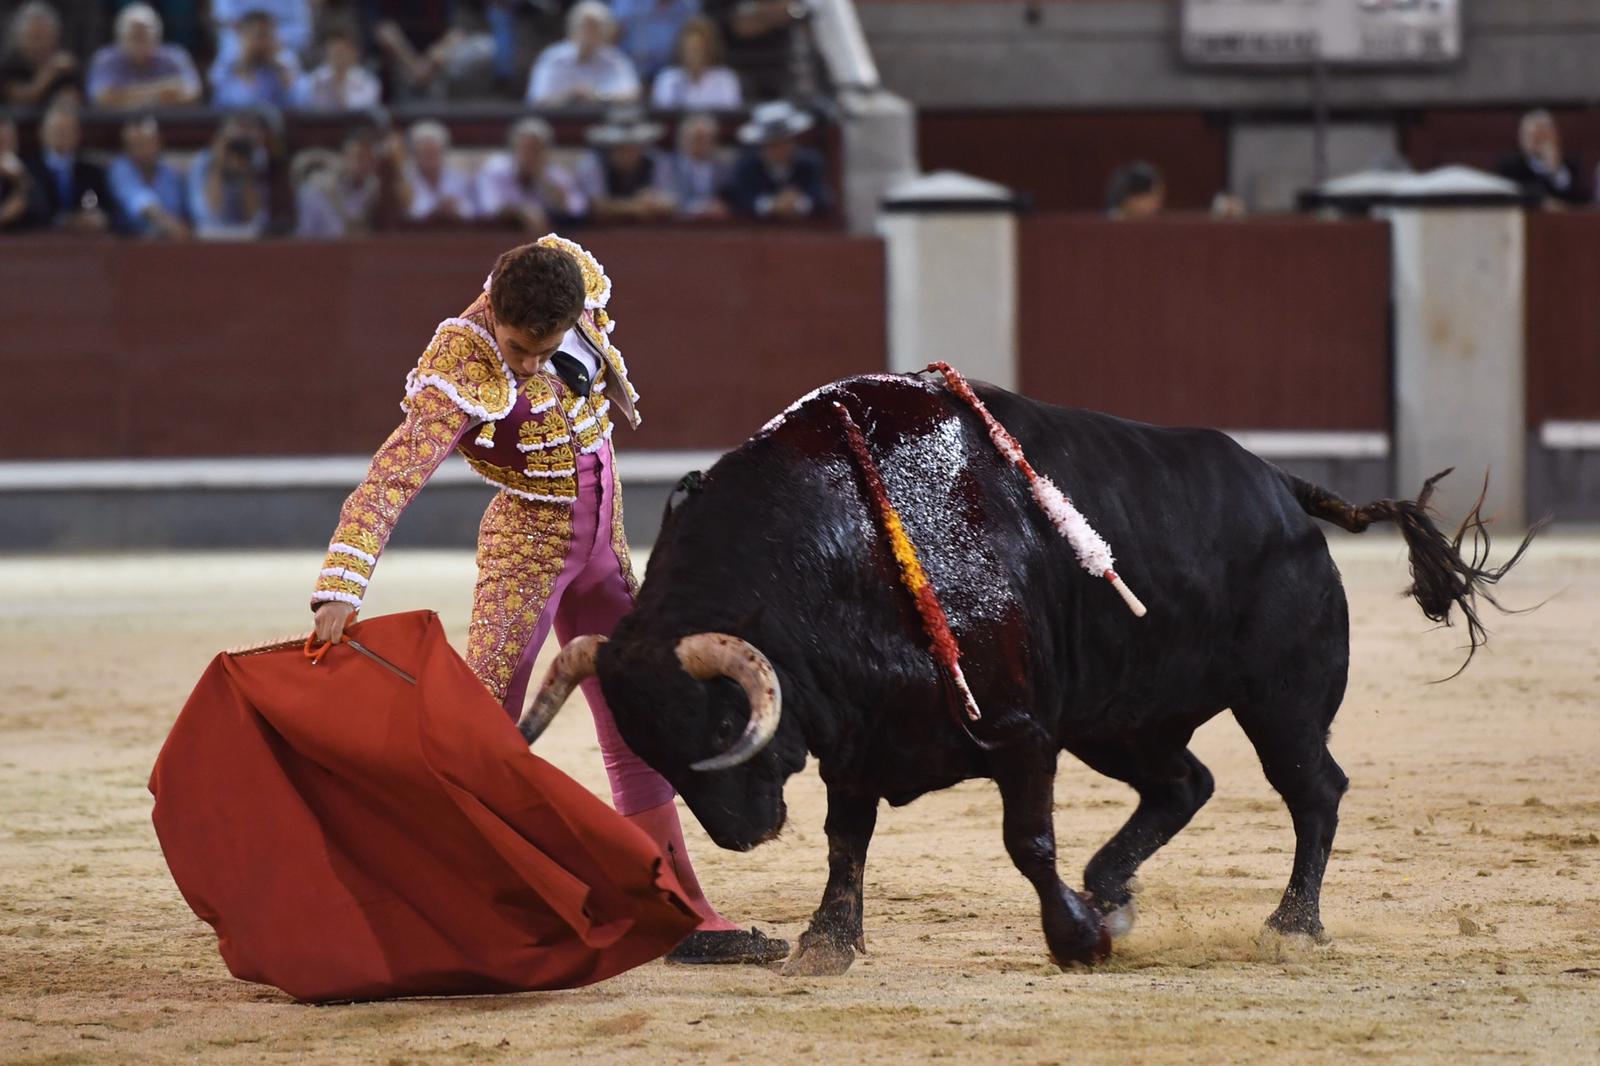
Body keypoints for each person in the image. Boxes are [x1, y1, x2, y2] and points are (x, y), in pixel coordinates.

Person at [308, 237, 789, 965]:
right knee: (483, 734)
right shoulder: (459, 368)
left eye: (545, 347)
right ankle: (449, 906)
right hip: (527, 551)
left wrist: (613, 382)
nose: (528, 363)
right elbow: (391, 477)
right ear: (494, 312)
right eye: (517, 347)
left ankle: (681, 913)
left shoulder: (574, 286)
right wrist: (341, 585)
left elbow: (588, 348)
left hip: (604, 545)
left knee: (637, 717)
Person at [724, 99, 830, 220]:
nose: (780, 150)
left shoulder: (811, 162)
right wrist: (771, 205)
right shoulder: (746, 165)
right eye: (773, 145)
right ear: (763, 146)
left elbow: (822, 197)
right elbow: (739, 199)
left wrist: (799, 203)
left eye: (784, 142)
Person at [475, 116, 587, 230]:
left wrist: (543, 180)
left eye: (536, 150)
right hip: (503, 235)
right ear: (514, 149)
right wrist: (521, 213)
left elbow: (577, 208)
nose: (530, 156)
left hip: (548, 236)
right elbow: (488, 208)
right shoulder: (495, 171)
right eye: (526, 149)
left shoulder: (555, 174)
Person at [22, 100, 116, 233]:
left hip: (83, 244)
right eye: (57, 130)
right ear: (41, 132)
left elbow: (109, 210)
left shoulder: (92, 172)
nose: (62, 135)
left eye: (67, 130)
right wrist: (65, 221)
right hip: (39, 243)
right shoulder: (28, 169)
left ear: (78, 134)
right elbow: (31, 210)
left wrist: (100, 217)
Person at [525, 1, 640, 108]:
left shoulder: (614, 58)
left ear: (606, 31)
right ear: (572, 27)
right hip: (557, 122)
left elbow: (632, 95)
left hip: (605, 124)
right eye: (585, 26)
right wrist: (572, 96)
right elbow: (537, 99)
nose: (588, 33)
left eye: (595, 27)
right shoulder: (554, 57)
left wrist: (598, 96)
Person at [86, 4, 203, 109]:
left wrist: (122, 95)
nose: (139, 43)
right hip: (116, 127)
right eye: (134, 36)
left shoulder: (175, 56)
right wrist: (163, 91)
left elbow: (192, 94)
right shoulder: (105, 59)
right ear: (119, 37)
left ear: (158, 37)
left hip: (168, 127)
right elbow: (100, 98)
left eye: (144, 36)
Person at [294, 126, 399, 237]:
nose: (365, 163)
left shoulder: (375, 189)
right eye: (360, 157)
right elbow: (305, 235)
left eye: (370, 158)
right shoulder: (314, 190)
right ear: (345, 157)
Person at [576, 110, 675, 222]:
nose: (628, 153)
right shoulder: (593, 163)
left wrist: (655, 201)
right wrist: (634, 207)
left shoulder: (657, 161)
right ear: (610, 148)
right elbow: (594, 206)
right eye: (621, 148)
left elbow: (671, 202)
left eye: (634, 147)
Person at [187, 111, 270, 239]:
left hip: (246, 234)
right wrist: (218, 164)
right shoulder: (203, 161)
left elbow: (255, 217)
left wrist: (244, 171)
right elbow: (209, 215)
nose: (237, 148)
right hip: (211, 233)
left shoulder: (256, 160)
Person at [108, 115, 189, 238]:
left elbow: (180, 212)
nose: (141, 149)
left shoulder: (169, 173)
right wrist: (170, 225)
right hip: (128, 243)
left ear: (159, 143)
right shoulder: (120, 169)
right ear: (126, 147)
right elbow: (140, 202)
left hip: (168, 242)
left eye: (147, 143)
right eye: (135, 144)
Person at [1497, 109, 1590, 208]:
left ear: (1555, 136)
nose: (1537, 140)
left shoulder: (1571, 165)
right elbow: (1511, 193)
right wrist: (1540, 202)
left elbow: (1583, 199)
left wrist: (1556, 171)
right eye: (1532, 135)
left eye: (1542, 135)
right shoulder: (1509, 166)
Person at [211, 9, 301, 109]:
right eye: (260, 36)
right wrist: (245, 67)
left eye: (269, 36)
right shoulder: (227, 65)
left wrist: (280, 73)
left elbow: (298, 104)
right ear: (244, 36)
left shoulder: (285, 63)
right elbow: (220, 104)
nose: (265, 42)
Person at [651, 15, 740, 111]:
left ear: (709, 49)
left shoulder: (726, 79)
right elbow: (661, 116)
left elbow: (732, 116)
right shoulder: (667, 79)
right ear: (680, 49)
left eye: (698, 49)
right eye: (688, 49)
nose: (693, 55)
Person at [0, 1, 79, 108]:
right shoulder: (9, 65)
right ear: (20, 38)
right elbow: (22, 98)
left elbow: (75, 101)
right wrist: (50, 72)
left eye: (42, 36)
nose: (38, 43)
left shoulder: (65, 68)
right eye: (33, 36)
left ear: (55, 37)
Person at [397, 118, 476, 223]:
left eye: (434, 153)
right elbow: (408, 214)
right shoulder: (404, 179)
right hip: (416, 235)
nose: (430, 158)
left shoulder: (459, 178)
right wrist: (435, 211)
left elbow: (473, 211)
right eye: (425, 153)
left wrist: (456, 209)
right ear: (414, 154)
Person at [659, 112, 729, 218]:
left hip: (715, 225)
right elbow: (665, 199)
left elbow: (729, 200)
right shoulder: (667, 166)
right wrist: (698, 209)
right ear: (682, 139)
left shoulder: (723, 167)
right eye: (695, 138)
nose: (700, 143)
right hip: (678, 225)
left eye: (705, 138)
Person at [611, 0, 700, 84]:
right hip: (629, 74)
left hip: (672, 74)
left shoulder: (689, 5)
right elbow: (611, 39)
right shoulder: (629, 3)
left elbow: (695, 41)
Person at [295, 26, 383, 110]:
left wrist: (339, 82)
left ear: (354, 53)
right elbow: (302, 103)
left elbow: (357, 111)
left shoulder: (368, 82)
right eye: (334, 52)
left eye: (342, 52)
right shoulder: (316, 79)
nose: (338, 57)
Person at [0, 113, 35, 230]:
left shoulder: (29, 167)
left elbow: (43, 211)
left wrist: (20, 179)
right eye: (0, 142)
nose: (4, 147)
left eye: (9, 141)